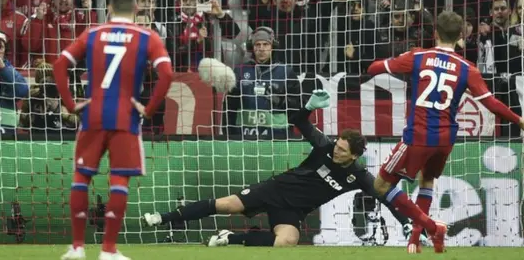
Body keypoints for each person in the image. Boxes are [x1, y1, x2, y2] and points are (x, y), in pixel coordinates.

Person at [143, 90, 417, 247]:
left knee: (286, 241)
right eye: (337, 145)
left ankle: (231, 238)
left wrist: (405, 222)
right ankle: (163, 218)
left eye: (342, 150)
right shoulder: (324, 145)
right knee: (225, 205)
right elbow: (298, 121)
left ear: (354, 155)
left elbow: (386, 195)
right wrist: (309, 106)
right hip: (275, 189)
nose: (336, 150)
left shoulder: (358, 175)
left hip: (293, 210)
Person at [367, 10, 524, 254]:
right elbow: (490, 104)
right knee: (427, 180)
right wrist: (520, 120)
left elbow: (373, 69)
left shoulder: (418, 56)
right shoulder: (468, 68)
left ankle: (432, 227)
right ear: (461, 36)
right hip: (445, 139)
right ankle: (414, 240)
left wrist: (395, 61)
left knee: (380, 186)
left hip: (417, 136)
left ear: (435, 33)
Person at [53, 0, 173, 260]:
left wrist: (71, 104)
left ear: (108, 8)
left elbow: (60, 63)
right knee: (119, 178)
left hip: (93, 114)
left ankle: (77, 247)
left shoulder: (92, 34)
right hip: (125, 116)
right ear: (135, 10)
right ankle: (108, 250)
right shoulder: (147, 36)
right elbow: (166, 73)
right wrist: (149, 108)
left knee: (81, 176)